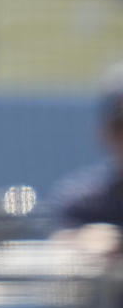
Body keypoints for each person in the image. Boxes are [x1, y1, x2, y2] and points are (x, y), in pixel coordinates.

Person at [49, 82, 123, 238]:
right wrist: (81, 243)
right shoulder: (84, 202)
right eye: (120, 127)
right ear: (104, 133)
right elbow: (62, 241)